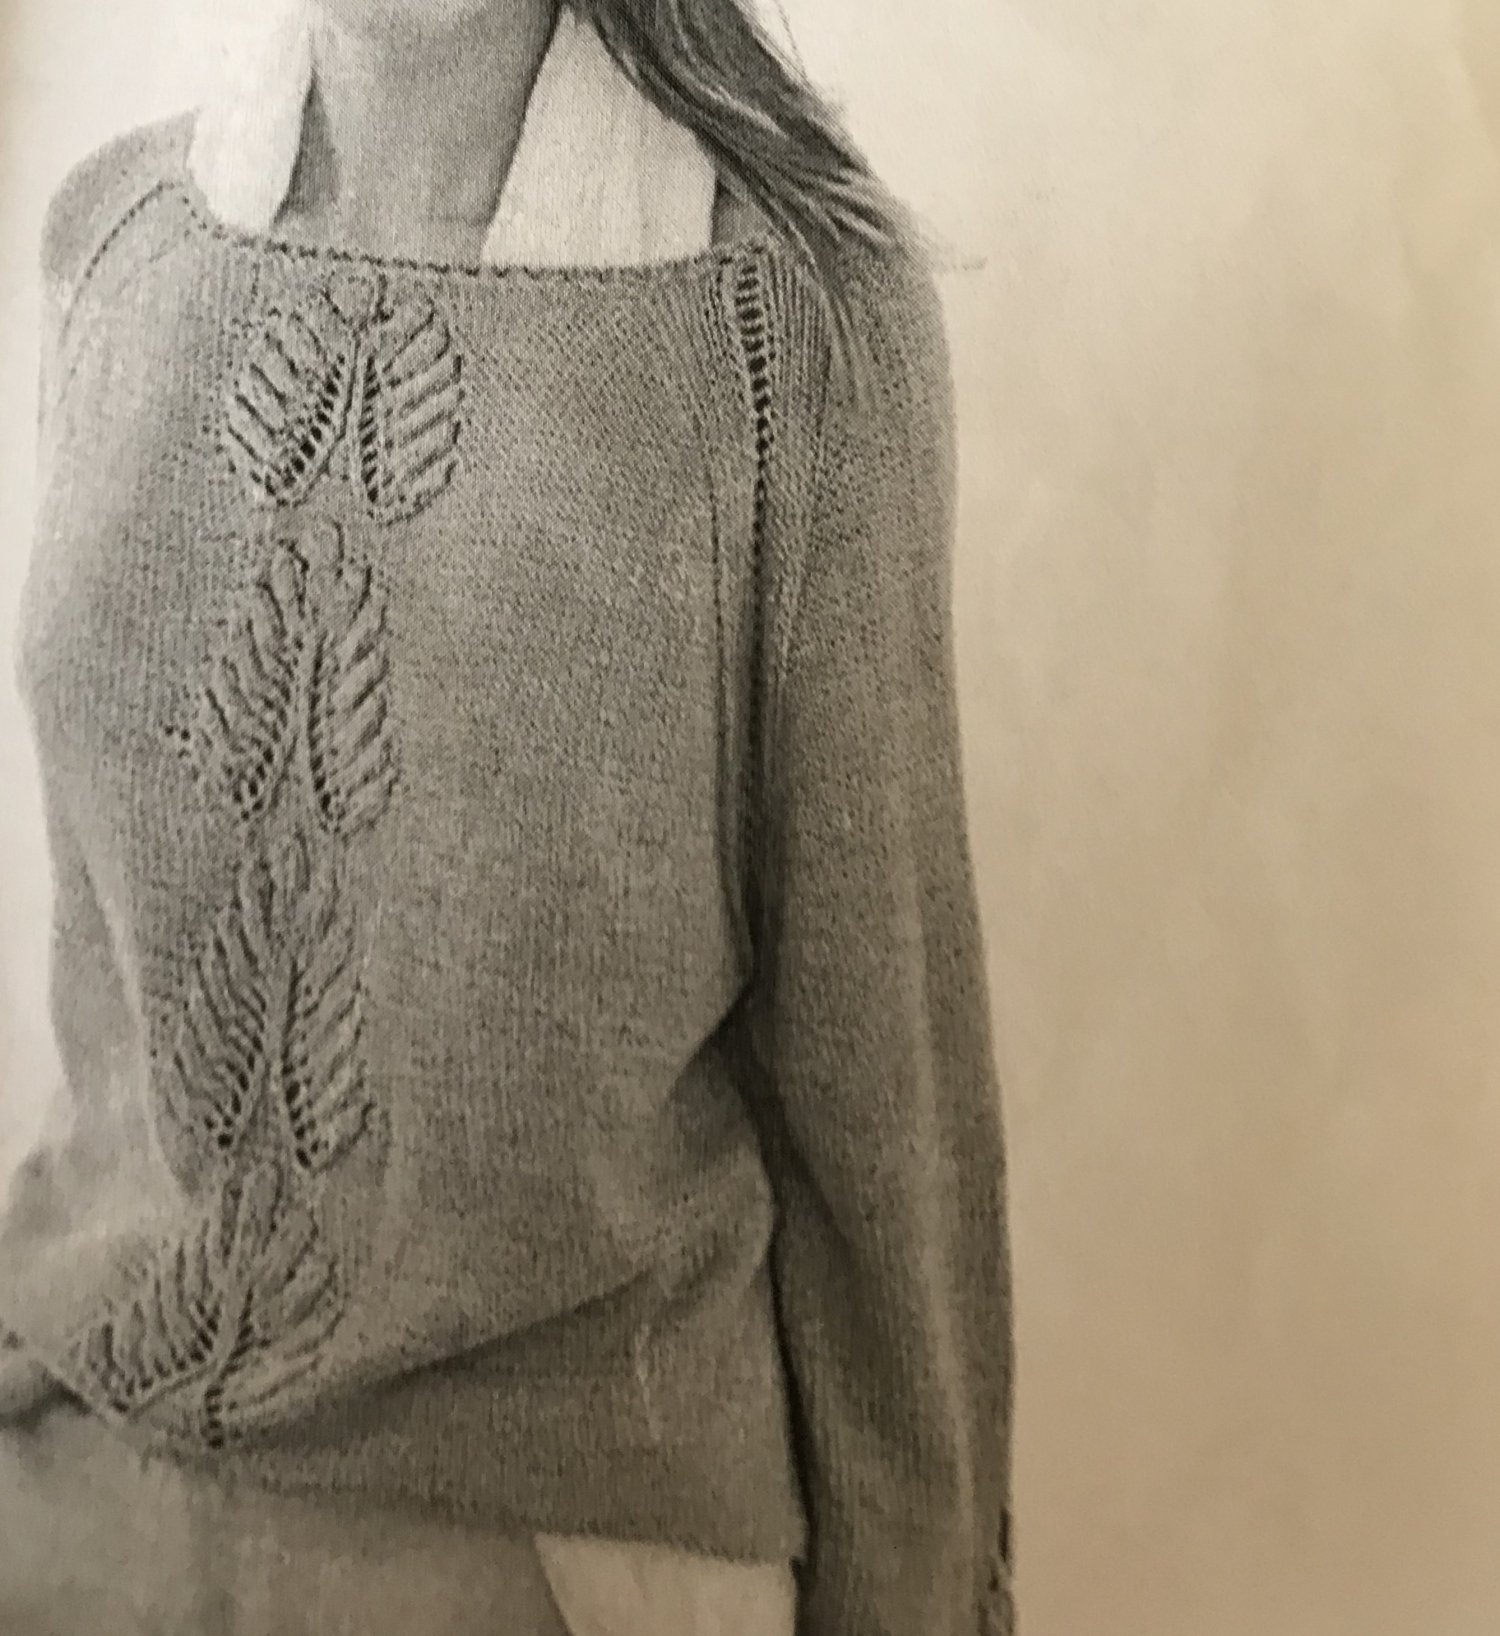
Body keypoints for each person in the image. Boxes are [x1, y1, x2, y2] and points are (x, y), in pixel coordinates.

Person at [0, 1, 1017, 1632]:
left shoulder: (787, 323)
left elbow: (882, 1082)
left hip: (556, 1544)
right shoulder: (114, 237)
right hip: (75, 1490)